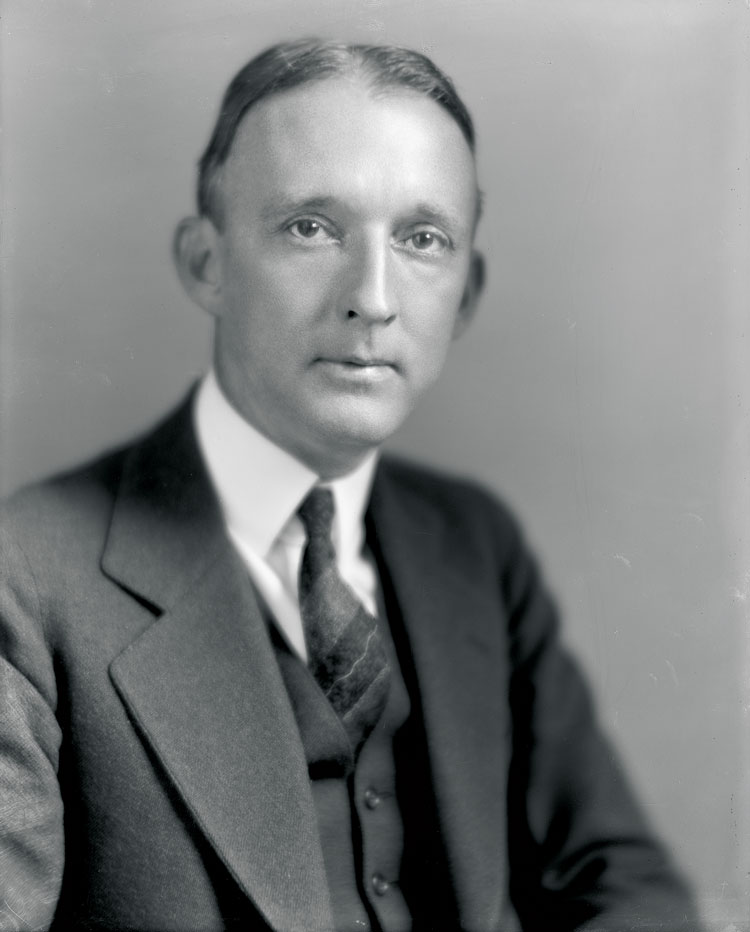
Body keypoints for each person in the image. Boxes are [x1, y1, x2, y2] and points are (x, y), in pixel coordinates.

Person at [0, 39, 702, 932]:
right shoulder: (26, 578)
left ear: (466, 294)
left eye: (422, 240)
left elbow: (623, 882)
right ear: (207, 263)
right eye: (311, 227)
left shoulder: (474, 546)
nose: (373, 297)